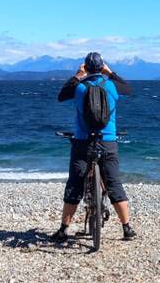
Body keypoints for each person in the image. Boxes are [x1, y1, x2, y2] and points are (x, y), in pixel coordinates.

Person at [51, 52, 137, 242]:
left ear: (87, 68)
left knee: (75, 184)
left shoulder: (80, 88)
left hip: (83, 141)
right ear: (101, 68)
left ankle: (64, 230)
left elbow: (61, 96)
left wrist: (77, 75)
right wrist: (110, 72)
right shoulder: (112, 86)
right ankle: (127, 228)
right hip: (108, 141)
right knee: (114, 182)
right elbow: (128, 89)